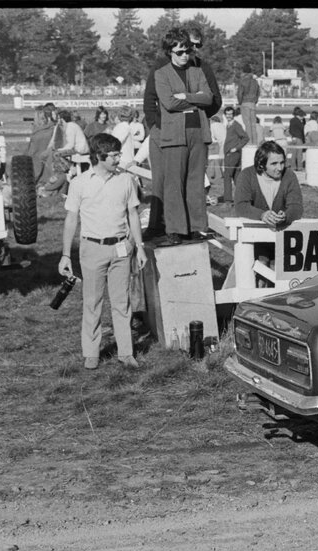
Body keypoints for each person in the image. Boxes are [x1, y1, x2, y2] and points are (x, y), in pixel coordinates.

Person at [58, 132, 147, 370]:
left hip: (121, 249)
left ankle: (126, 353)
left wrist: (139, 248)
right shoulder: (79, 183)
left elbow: (133, 215)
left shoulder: (126, 180)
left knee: (122, 302)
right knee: (92, 302)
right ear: (99, 156)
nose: (119, 159)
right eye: (114, 155)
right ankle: (91, 353)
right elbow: (71, 220)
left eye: (119, 154)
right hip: (92, 249)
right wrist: (65, 255)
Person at [153, 28, 214, 245]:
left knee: (196, 183)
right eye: (179, 52)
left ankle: (197, 228)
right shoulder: (161, 74)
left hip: (199, 133)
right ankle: (175, 230)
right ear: (169, 52)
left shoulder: (198, 72)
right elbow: (169, 103)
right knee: (174, 184)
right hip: (174, 135)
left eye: (187, 51)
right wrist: (196, 99)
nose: (185, 56)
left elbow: (209, 98)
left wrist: (186, 96)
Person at [232, 141, 303, 229]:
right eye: (274, 164)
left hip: (282, 231)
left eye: (282, 163)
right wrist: (261, 215)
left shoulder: (289, 176)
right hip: (253, 231)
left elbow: (296, 206)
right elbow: (241, 206)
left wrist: (286, 216)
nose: (279, 168)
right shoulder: (247, 175)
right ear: (261, 164)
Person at [221, 106, 249, 204]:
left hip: (232, 154)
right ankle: (243, 198)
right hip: (231, 154)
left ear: (233, 115)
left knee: (227, 176)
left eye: (230, 114)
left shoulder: (236, 125)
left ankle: (228, 199)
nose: (229, 116)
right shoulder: (228, 125)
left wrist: (236, 148)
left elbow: (245, 138)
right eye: (227, 114)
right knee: (236, 177)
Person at [52, 109, 91, 175]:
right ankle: (67, 170)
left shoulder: (70, 126)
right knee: (57, 154)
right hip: (78, 149)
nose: (58, 120)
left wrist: (60, 149)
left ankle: (71, 168)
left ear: (62, 119)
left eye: (58, 118)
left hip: (80, 149)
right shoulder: (71, 125)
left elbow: (70, 145)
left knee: (56, 154)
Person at [236, 65, 260, 146]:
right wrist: (255, 101)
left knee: (247, 124)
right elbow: (258, 92)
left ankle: (249, 143)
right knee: (253, 124)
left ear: (243, 71)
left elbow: (240, 93)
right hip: (253, 103)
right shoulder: (255, 81)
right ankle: (255, 142)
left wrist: (240, 102)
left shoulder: (242, 81)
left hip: (245, 102)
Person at [288, 106, 306, 171]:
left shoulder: (292, 120)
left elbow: (290, 130)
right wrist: (302, 123)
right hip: (299, 138)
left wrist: (293, 136)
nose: (303, 117)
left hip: (293, 138)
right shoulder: (299, 121)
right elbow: (302, 129)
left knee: (294, 153)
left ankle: (293, 167)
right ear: (300, 115)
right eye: (303, 116)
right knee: (299, 154)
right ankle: (299, 167)